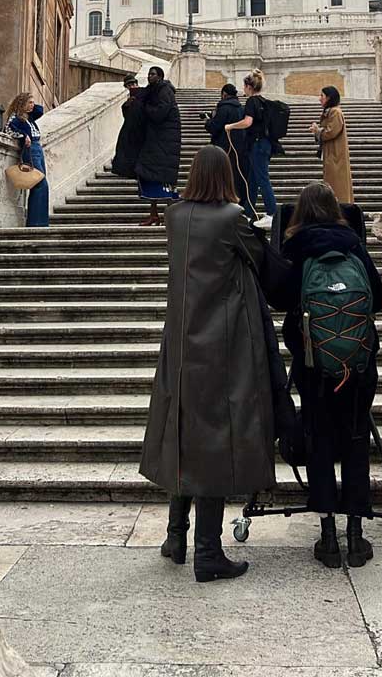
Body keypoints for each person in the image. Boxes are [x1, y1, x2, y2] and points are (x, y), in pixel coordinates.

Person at [140, 145, 279, 582]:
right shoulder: (231, 218)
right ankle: (208, 551)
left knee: (182, 434)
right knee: (215, 440)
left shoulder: (174, 216)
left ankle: (175, 537)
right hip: (220, 342)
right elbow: (260, 260)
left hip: (181, 341)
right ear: (225, 176)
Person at [260, 181, 382, 569]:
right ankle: (356, 536)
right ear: (336, 210)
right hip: (358, 365)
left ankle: (328, 536)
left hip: (314, 364)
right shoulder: (354, 245)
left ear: (300, 212)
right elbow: (377, 297)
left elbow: (280, 299)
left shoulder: (296, 248)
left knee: (319, 440)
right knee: (356, 438)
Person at [225, 69, 276, 230]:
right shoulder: (264, 102)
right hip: (265, 144)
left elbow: (248, 122)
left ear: (249, 87)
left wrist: (231, 126)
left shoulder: (252, 102)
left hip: (257, 144)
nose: (243, 89)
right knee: (252, 180)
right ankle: (248, 213)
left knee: (262, 179)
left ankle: (272, 214)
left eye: (244, 86)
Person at [134, 66, 182, 226]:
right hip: (154, 142)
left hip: (165, 143)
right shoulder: (152, 91)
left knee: (165, 181)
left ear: (160, 76)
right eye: (149, 74)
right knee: (150, 177)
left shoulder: (165, 91)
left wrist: (144, 106)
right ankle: (154, 215)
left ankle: (173, 218)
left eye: (153, 74)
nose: (149, 76)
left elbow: (159, 113)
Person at [4, 92, 49, 227]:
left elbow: (40, 110)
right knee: (40, 183)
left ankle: (40, 222)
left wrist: (30, 106)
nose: (32, 105)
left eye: (33, 102)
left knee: (41, 183)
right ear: (22, 103)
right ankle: (36, 222)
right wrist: (24, 136)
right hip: (30, 150)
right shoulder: (17, 117)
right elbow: (8, 129)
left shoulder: (30, 117)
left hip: (38, 149)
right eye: (29, 102)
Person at [203, 83, 247, 203]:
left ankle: (221, 199)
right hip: (239, 149)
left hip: (223, 148)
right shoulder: (241, 108)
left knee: (221, 175)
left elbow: (214, 127)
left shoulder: (223, 108)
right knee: (236, 175)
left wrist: (208, 121)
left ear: (224, 94)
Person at [310, 86, 353, 204]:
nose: (320, 99)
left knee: (337, 185)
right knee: (332, 183)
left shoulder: (335, 112)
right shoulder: (331, 112)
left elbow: (331, 132)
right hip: (332, 154)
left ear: (329, 98)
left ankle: (340, 207)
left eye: (322, 96)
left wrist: (317, 131)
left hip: (335, 155)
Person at [111, 74, 145, 178]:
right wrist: (127, 105)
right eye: (129, 85)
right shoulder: (128, 101)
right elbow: (127, 116)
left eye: (133, 84)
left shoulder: (144, 94)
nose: (132, 87)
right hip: (131, 131)